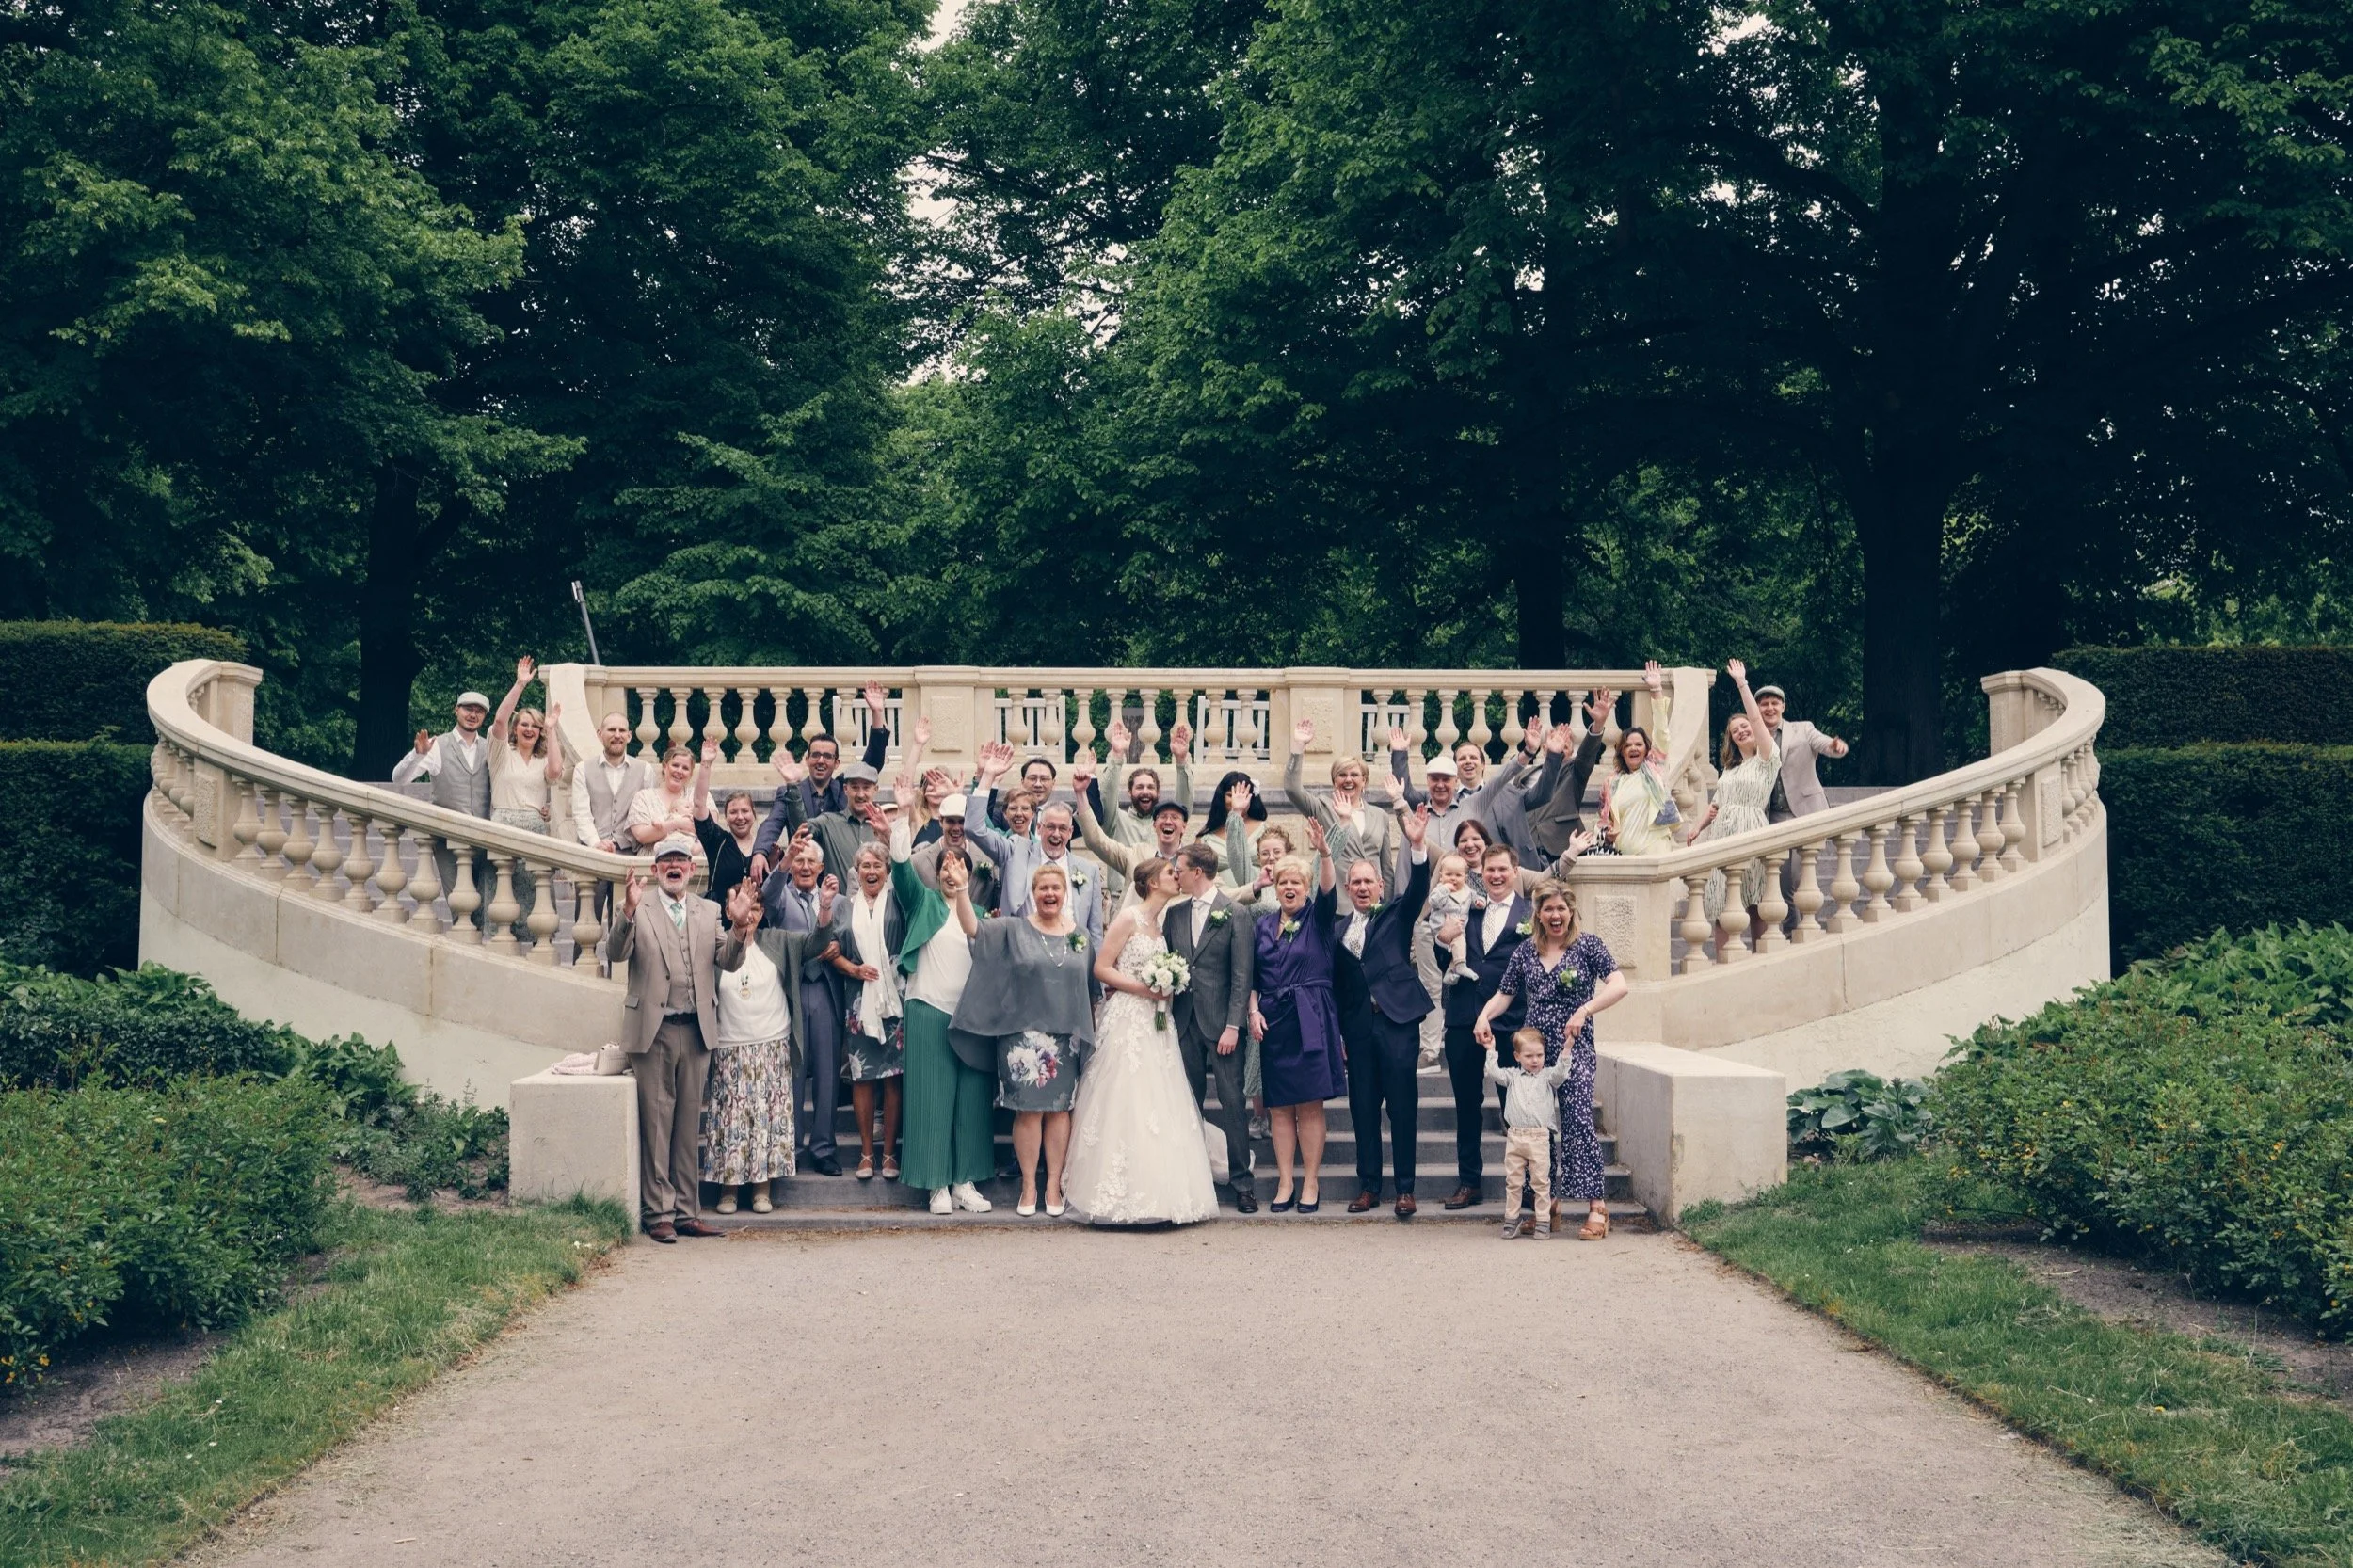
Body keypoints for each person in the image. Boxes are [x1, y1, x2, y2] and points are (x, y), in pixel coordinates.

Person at [604, 834, 750, 1241]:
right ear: (655, 870)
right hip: (654, 1031)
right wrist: (628, 913)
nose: (674, 866)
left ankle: (688, 1211)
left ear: (691, 868)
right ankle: (658, 1214)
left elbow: (730, 961)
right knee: (656, 1122)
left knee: (688, 1125)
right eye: (666, 860)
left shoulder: (709, 910)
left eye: (681, 860)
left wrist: (739, 927)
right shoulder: (638, 906)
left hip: (697, 1028)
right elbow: (615, 953)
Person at [1064, 857, 1222, 1225]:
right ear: (1152, 882)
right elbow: (1102, 967)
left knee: (1158, 1101)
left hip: (1157, 1023)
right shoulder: (1128, 918)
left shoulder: (1161, 924)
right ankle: (1117, 1194)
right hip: (1129, 1020)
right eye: (1170, 873)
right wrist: (1144, 989)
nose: (1176, 876)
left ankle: (1161, 1197)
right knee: (1126, 1098)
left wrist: (1166, 986)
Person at [1474, 881, 1630, 1240]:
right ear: (1539, 915)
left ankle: (1597, 1207)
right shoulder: (1526, 951)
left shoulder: (1588, 945)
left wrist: (1585, 1010)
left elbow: (1619, 985)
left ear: (1570, 911)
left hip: (1574, 1047)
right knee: (1533, 1124)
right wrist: (1484, 1016)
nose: (1555, 916)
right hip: (1535, 1053)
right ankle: (1548, 1206)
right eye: (1548, 910)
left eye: (1561, 909)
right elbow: (1505, 993)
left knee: (1576, 1118)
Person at [950, 863, 1096, 1216]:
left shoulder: (1081, 936)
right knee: (1028, 1112)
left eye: (1055, 889)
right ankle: (1029, 1184)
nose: (1049, 894)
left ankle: (1053, 1185)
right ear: (1033, 894)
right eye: (1043, 888)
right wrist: (960, 890)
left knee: (1060, 1110)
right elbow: (973, 928)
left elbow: (1088, 990)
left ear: (1065, 894)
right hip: (1022, 1039)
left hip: (1065, 1039)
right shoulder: (1014, 929)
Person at [1329, 808, 1435, 1218]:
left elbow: (1418, 889)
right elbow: (1338, 986)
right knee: (1363, 1108)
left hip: (1396, 1023)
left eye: (1367, 881)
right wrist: (1338, 1034)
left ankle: (1405, 1190)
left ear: (1380, 885)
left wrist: (1417, 845)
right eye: (1354, 881)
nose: (1361, 887)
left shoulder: (1396, 914)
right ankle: (1369, 1185)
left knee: (1402, 1106)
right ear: (1346, 886)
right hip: (1357, 1029)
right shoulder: (1336, 929)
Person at [888, 818, 995, 1215]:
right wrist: (903, 815)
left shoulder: (980, 914)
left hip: (971, 1017)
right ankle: (936, 1186)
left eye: (959, 866)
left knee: (970, 1101)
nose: (951, 872)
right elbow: (901, 869)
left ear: (968, 874)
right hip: (928, 1009)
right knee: (931, 1101)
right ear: (936, 875)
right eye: (945, 867)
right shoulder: (923, 902)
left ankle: (964, 1181)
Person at [704, 889, 832, 1215]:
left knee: (765, 1121)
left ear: (762, 913)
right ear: (730, 908)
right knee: (732, 1121)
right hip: (731, 1047)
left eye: (756, 908)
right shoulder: (716, 945)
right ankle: (728, 1190)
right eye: (744, 906)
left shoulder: (778, 941)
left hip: (772, 1046)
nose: (750, 913)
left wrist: (826, 909)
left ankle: (762, 1189)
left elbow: (816, 944)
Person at [1247, 838, 1345, 1212]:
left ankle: (1311, 1181)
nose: (1289, 888)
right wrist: (1253, 1012)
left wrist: (1324, 854)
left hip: (1311, 1016)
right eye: (1283, 882)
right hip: (1272, 1019)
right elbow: (1254, 977)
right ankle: (1285, 1181)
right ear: (1275, 887)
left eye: (1296, 883)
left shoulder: (1318, 920)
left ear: (1305, 889)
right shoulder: (1263, 925)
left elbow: (1328, 888)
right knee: (1279, 1108)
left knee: (1309, 1107)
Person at [1435, 843, 1532, 1209]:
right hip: (1463, 1018)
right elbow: (1445, 956)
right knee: (1466, 1104)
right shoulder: (1466, 906)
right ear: (1482, 873)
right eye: (1490, 870)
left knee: (1517, 1106)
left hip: (1510, 1023)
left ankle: (1524, 1185)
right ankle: (1469, 1182)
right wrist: (1443, 939)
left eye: (1502, 870)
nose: (1495, 876)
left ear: (1515, 870)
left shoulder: (1529, 914)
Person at [1167, 842, 1258, 1211]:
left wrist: (1234, 1025)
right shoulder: (1175, 914)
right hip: (1184, 1022)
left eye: (1180, 869)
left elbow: (1242, 975)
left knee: (1233, 1101)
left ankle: (1242, 1183)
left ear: (1198, 872)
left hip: (1222, 1025)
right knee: (1187, 1103)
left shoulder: (1234, 912)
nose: (1177, 875)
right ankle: (1193, 1177)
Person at [965, 743, 1107, 952]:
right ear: (1039, 827)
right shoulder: (1015, 850)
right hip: (1021, 957)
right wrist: (987, 777)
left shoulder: (1089, 870)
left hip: (1071, 960)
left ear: (1070, 832)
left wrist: (1097, 983)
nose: (1056, 834)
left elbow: (1095, 932)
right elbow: (974, 827)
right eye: (1050, 827)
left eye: (1062, 829)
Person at [827, 830, 908, 1182]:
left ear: (887, 871)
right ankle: (865, 1153)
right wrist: (854, 968)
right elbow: (830, 952)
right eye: (864, 865)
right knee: (863, 1078)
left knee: (892, 1079)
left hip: (895, 1001)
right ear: (856, 872)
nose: (871, 870)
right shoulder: (843, 906)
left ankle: (889, 1153)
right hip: (859, 1000)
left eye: (877, 865)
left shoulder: (899, 901)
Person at [764, 839, 846, 1176]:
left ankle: (823, 1147)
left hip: (826, 988)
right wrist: (782, 863)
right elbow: (767, 894)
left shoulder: (839, 901)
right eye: (799, 860)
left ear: (821, 867)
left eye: (811, 861)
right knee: (793, 1072)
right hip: (792, 991)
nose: (804, 866)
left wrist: (840, 944)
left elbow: (852, 935)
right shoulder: (780, 896)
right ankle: (792, 1147)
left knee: (827, 1073)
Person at [749, 680, 892, 864]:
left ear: (836, 763)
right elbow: (771, 824)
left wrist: (878, 714)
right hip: (804, 871)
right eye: (815, 755)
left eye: (827, 756)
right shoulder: (790, 792)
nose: (821, 761)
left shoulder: (844, 787)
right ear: (807, 759)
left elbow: (871, 765)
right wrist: (760, 852)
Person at [1690, 659, 1782, 938]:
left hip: (1750, 829)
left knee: (1754, 899)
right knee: (1721, 900)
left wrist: (1742, 683)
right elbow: (1717, 803)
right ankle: (1724, 961)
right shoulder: (1729, 770)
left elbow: (1756, 718)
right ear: (1731, 739)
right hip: (1721, 834)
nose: (1742, 730)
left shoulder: (1767, 758)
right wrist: (1698, 828)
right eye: (1735, 730)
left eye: (1745, 726)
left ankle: (1759, 959)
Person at [392, 685, 497, 925]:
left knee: (486, 909)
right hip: (449, 842)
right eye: (468, 708)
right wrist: (418, 755)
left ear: (484, 716)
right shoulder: (437, 744)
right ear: (456, 710)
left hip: (485, 840)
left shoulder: (489, 748)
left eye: (479, 711)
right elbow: (399, 779)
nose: (473, 714)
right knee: (461, 907)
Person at [485, 658, 568, 944]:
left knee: (536, 896)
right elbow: (499, 720)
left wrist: (553, 728)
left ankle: (538, 945)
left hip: (534, 830)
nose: (529, 729)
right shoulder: (500, 753)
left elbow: (556, 772)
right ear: (516, 728)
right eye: (524, 724)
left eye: (535, 726)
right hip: (503, 827)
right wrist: (520, 684)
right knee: (503, 895)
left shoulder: (542, 759)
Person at [1284, 717, 1401, 896]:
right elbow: (1292, 789)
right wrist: (1298, 747)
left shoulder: (1380, 816)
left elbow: (1386, 867)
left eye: (1354, 775)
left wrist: (1389, 905)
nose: (1348, 779)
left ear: (1364, 781)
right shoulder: (1323, 807)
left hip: (1372, 900)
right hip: (1337, 899)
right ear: (1334, 781)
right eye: (1342, 775)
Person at [1484, 1028, 1579, 1239]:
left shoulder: (1547, 1077)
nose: (1535, 1060)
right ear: (1517, 1056)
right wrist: (1491, 1050)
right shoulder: (1512, 1076)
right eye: (1529, 1056)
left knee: (1540, 1181)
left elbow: (1561, 1074)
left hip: (1539, 1137)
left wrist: (1567, 1050)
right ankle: (1511, 1219)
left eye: (1539, 1055)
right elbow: (1494, 1073)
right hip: (1516, 1136)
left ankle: (1544, 1221)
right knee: (1514, 1181)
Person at [570, 710, 653, 930]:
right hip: (592, 852)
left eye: (622, 730)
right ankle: (582, 964)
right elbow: (581, 812)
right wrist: (595, 842)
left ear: (629, 735)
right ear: (600, 734)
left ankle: (620, 966)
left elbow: (647, 811)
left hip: (629, 855)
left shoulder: (645, 770)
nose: (617, 735)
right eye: (611, 730)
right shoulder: (583, 769)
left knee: (623, 923)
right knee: (586, 921)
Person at [1071, 750, 1191, 903]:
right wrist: (1081, 793)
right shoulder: (1134, 854)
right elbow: (1096, 840)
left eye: (1174, 817)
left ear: (1184, 826)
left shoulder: (1190, 862)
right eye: (1163, 817)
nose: (1168, 821)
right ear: (1155, 825)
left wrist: (1182, 762)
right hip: (1127, 908)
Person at [1520, 689, 1616, 860]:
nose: (1558, 750)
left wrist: (1598, 725)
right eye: (1554, 746)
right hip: (1526, 851)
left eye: (1564, 747)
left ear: (1571, 751)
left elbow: (1586, 755)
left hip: (1561, 850)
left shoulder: (1574, 771)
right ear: (1543, 749)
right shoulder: (1523, 776)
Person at [1595, 663, 1680, 856]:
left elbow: (1661, 731)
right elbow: (1602, 821)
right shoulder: (1612, 782)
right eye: (1628, 745)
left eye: (1638, 744)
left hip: (1655, 851)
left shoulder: (1654, 768)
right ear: (1622, 752)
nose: (1633, 748)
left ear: (1647, 749)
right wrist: (1606, 834)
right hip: (1624, 856)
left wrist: (1656, 689)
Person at [774, 757, 883, 888]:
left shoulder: (885, 827)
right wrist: (793, 786)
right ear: (845, 789)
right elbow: (801, 830)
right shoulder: (828, 823)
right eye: (855, 787)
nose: (860, 794)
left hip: (879, 907)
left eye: (866, 788)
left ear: (876, 789)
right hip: (839, 907)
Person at [1755, 682, 1849, 822]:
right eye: (1764, 704)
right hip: (1772, 817)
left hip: (1808, 810)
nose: (1770, 708)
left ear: (1783, 707)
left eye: (1775, 703)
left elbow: (1823, 743)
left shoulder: (1803, 729)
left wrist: (1834, 746)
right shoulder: (1752, 737)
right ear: (1757, 708)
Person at [1098, 717, 1195, 849]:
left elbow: (1183, 806)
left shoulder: (1165, 824)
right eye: (1139, 787)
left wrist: (1181, 760)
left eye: (1150, 787)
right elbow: (1107, 795)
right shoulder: (1116, 822)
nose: (1145, 791)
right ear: (1129, 792)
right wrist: (1117, 755)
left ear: (1158, 792)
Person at [690, 741, 765, 912]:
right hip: (722, 925)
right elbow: (699, 803)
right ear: (726, 818)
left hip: (758, 925)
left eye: (745, 811)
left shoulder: (764, 847)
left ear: (754, 814)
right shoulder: (717, 840)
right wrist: (706, 764)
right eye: (733, 812)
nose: (740, 817)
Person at [908, 792, 1000, 913]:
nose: (956, 828)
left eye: (962, 821)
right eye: (950, 821)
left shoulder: (988, 859)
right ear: (941, 821)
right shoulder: (918, 861)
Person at [626, 746, 699, 850]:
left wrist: (660, 829)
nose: (679, 771)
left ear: (691, 774)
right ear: (665, 767)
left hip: (691, 859)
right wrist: (676, 823)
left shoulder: (697, 796)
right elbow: (641, 836)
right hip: (652, 860)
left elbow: (709, 831)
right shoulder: (643, 797)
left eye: (685, 768)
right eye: (675, 765)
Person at [1423, 854, 1479, 985]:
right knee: (1459, 943)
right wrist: (1444, 889)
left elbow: (1473, 900)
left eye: (1458, 875)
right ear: (1441, 876)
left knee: (1460, 947)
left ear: (1465, 878)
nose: (1453, 879)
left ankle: (1450, 973)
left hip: (1459, 929)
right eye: (1449, 875)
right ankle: (1460, 967)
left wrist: (1479, 902)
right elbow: (1433, 902)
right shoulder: (1440, 890)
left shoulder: (1467, 891)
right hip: (1442, 928)